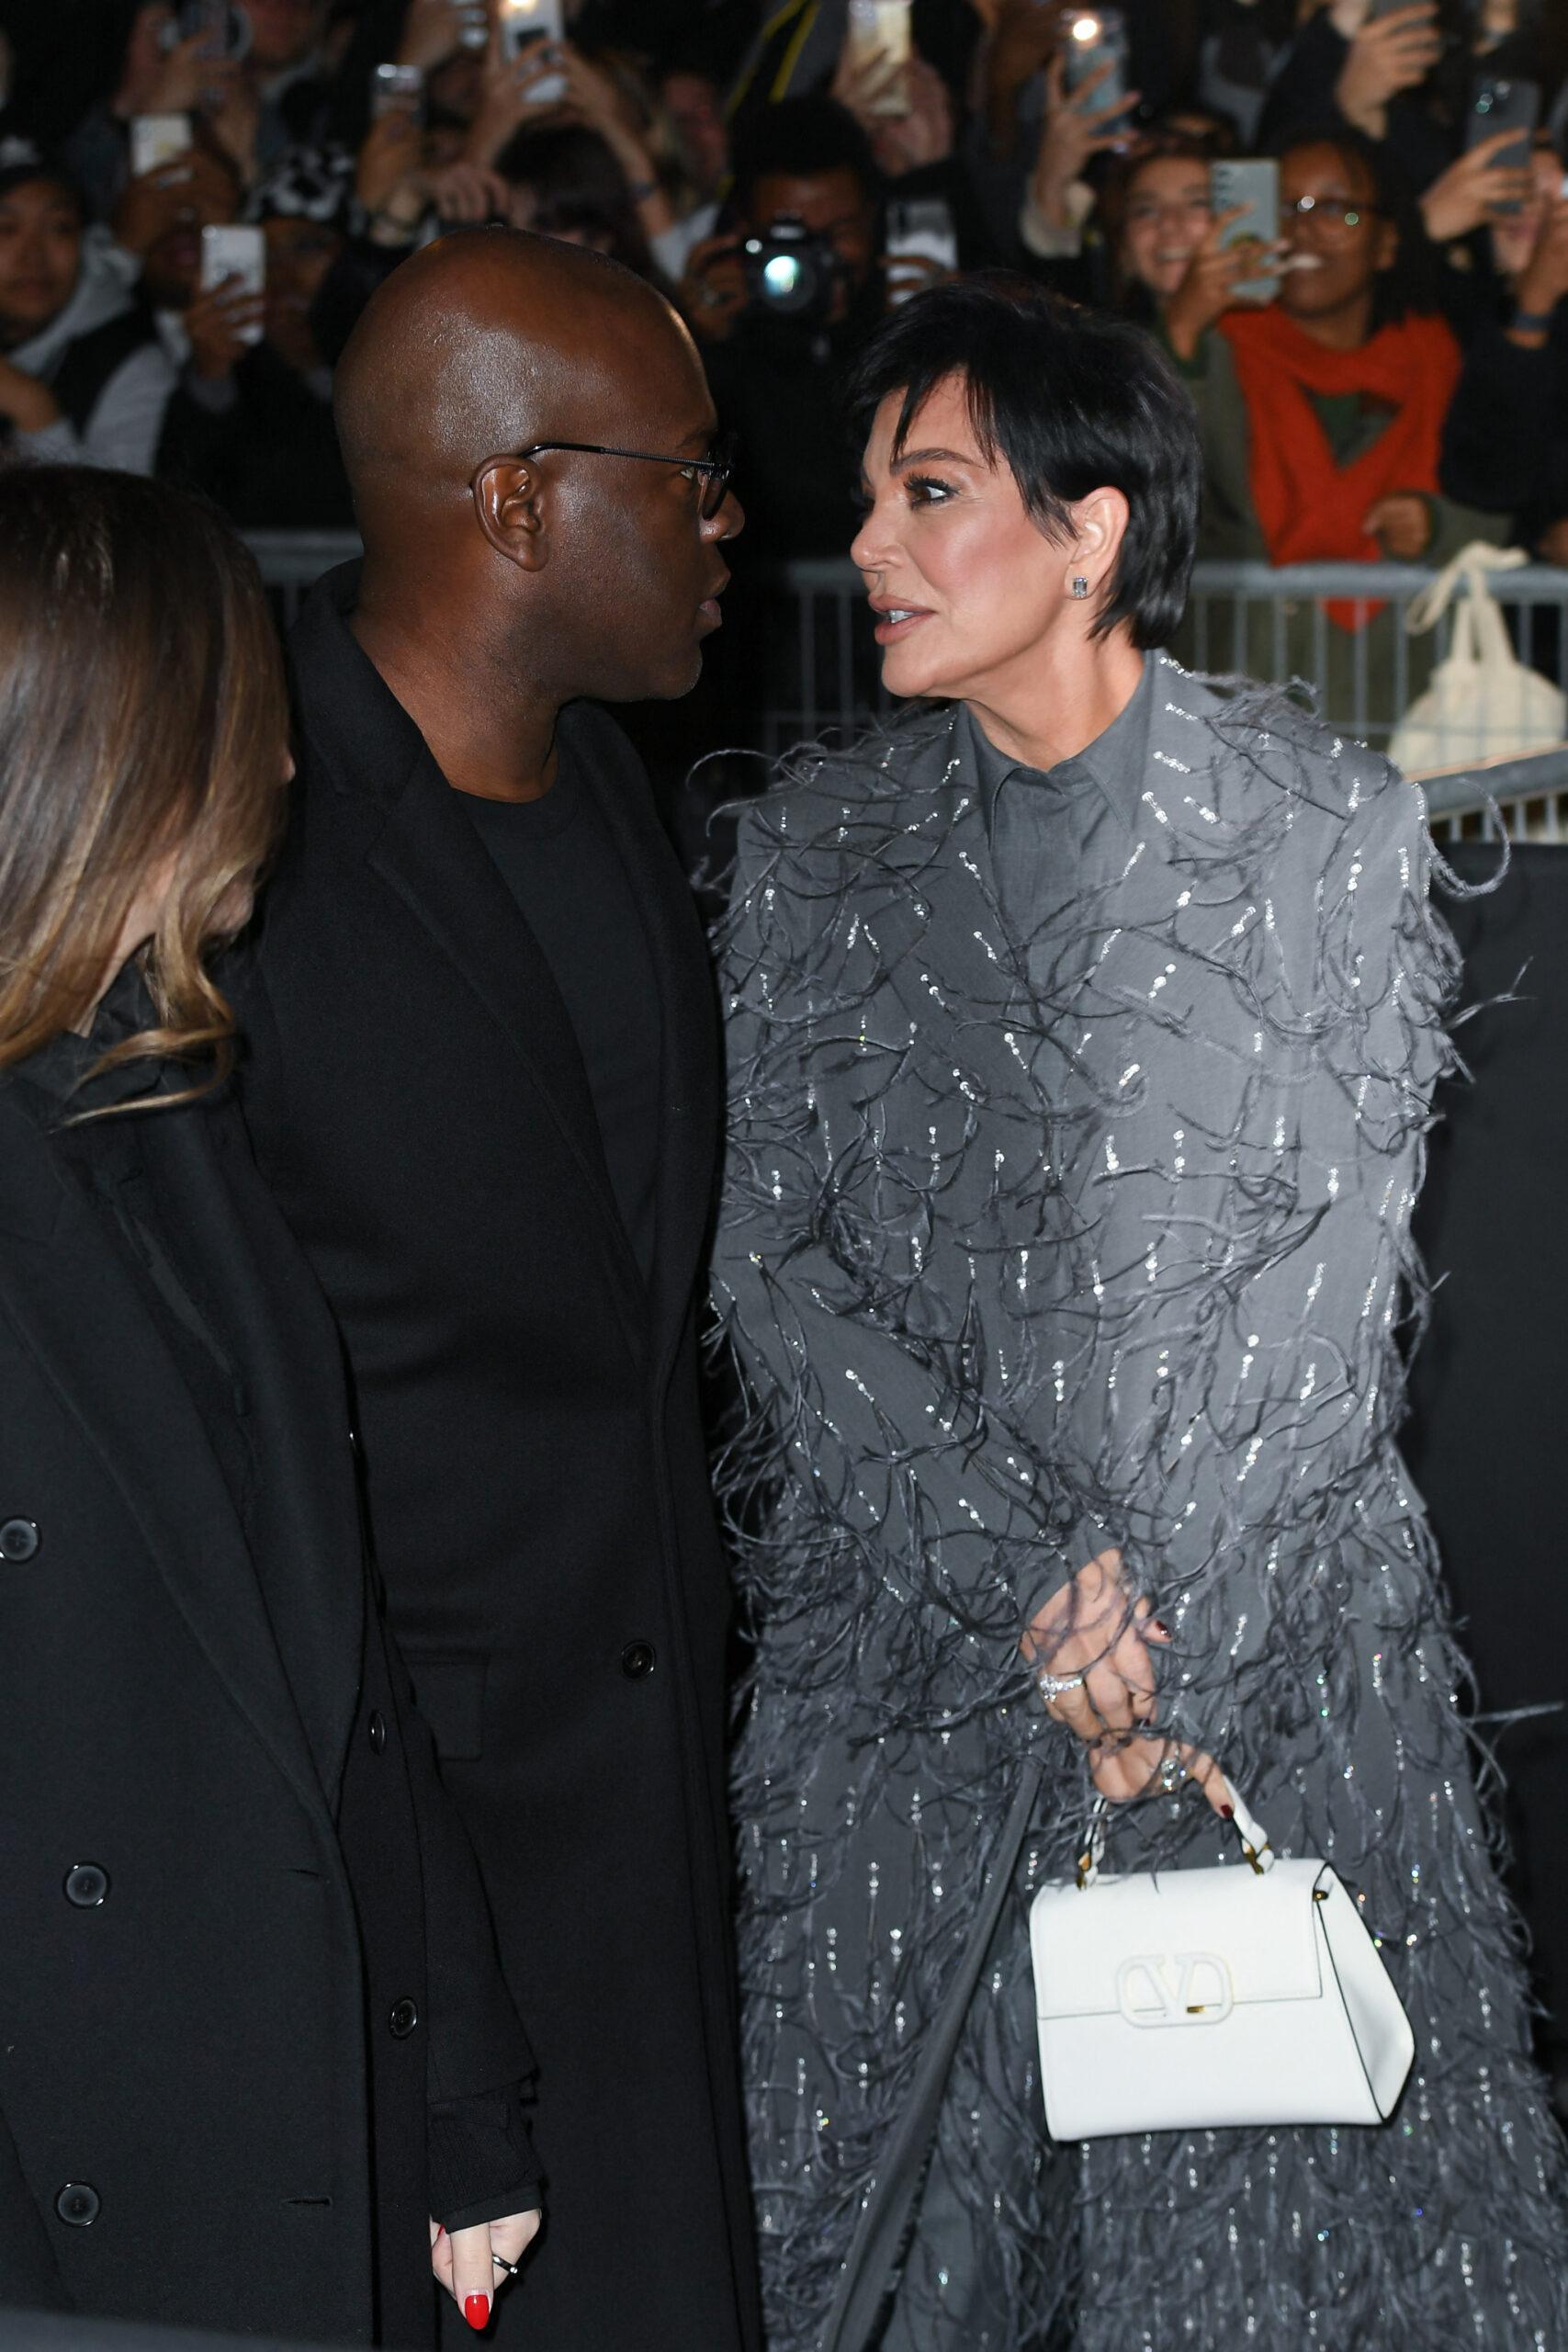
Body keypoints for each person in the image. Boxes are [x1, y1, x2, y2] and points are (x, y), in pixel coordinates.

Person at [709, 274, 1568, 2349]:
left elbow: (1328, 1280)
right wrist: (1031, 1589)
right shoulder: (807, 852)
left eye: (930, 494)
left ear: (1088, 529)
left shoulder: (1322, 827)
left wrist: (1145, 1629)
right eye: (866, 498)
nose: (871, 548)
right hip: (903, 1685)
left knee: (1267, 2263)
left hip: (1271, 1669)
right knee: (900, 2257)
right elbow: (764, 1260)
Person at [230, 228, 760, 2352]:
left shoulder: (616, 790)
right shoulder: (242, 829)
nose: (734, 522)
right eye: (689, 474)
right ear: (523, 499)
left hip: (645, 1847)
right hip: (406, 1893)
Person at [0, 465, 539, 2345]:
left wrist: (460, 2096)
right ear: (128, 759)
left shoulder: (170, 1107)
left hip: (281, 2116)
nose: (288, 771)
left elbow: (342, 1659)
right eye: (249, 723)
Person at [1168, 126, 1504, 727]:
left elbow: (1504, 505)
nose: (1302, 229)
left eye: (1336, 210)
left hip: (1394, 703)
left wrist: (1435, 524)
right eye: (1285, 208)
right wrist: (1183, 323)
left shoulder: (1439, 360)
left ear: (1386, 243)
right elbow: (1140, 472)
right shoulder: (1211, 349)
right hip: (1236, 718)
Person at [0, 145, 175, 469]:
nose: (33, 257)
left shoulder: (129, 365)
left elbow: (119, 517)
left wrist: (34, 411)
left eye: (59, 227)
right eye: (6, 229)